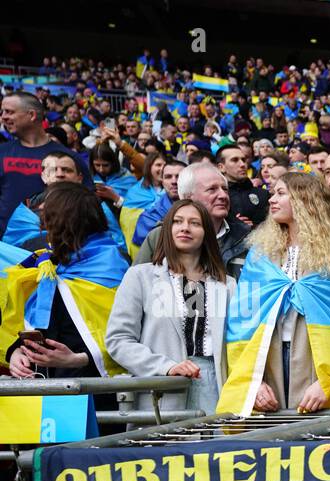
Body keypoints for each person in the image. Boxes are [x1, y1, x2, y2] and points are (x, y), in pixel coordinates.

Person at [217, 171, 330, 414]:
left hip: (317, 360)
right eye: (273, 193)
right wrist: (253, 382)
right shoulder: (260, 255)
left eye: (281, 193)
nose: (271, 199)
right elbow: (243, 319)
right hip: (266, 357)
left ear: (305, 200)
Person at [106, 199, 236, 413]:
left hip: (216, 387)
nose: (185, 227)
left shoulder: (228, 285)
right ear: (167, 229)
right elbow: (118, 340)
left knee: (215, 446)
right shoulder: (140, 276)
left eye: (195, 223)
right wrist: (165, 367)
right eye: (177, 221)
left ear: (207, 233)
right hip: (163, 389)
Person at [4, 182, 127, 382]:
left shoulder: (113, 266)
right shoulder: (49, 265)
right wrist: (17, 352)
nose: (43, 226)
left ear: (66, 222)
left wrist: (77, 360)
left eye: (48, 218)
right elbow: (39, 325)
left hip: (97, 394)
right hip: (49, 393)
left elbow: (128, 338)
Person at [134, 163, 250, 275]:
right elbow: (137, 285)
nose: (223, 196)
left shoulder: (247, 237)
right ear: (187, 197)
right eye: (212, 189)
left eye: (225, 189)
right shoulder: (160, 236)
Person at [0, 92, 88, 237]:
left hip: (54, 245)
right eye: (2, 112)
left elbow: (85, 201)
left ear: (32, 115)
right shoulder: (2, 152)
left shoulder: (69, 158)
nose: (3, 117)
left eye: (9, 111)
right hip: (5, 249)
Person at [216, 142, 270, 227]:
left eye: (244, 160)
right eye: (235, 160)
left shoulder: (263, 194)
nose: (242, 164)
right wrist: (231, 225)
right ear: (221, 167)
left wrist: (254, 227)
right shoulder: (215, 197)